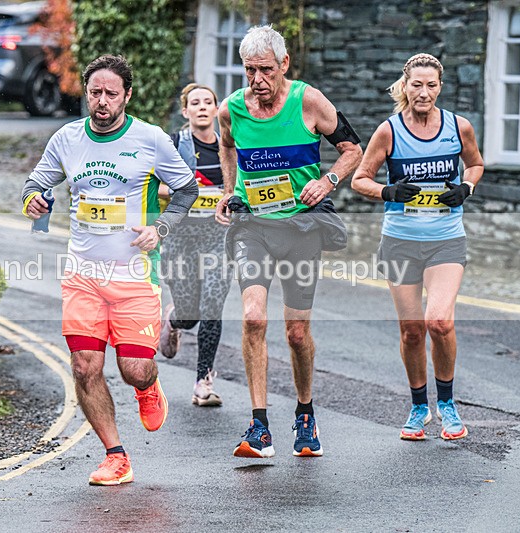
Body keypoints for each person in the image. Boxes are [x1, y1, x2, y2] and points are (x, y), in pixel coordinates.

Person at [21, 55, 199, 485]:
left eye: (110, 94)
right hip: (82, 273)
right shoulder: (66, 139)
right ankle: (115, 455)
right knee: (84, 366)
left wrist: (160, 227)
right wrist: (35, 203)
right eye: (95, 93)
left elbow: (187, 188)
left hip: (135, 275)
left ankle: (147, 387)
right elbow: (33, 187)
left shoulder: (151, 138)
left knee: (133, 368)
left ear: (127, 96)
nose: (101, 102)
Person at [214, 26, 362, 458]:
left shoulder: (308, 101)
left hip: (301, 229)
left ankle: (304, 412)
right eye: (249, 71)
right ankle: (259, 427)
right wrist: (229, 191)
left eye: (265, 70)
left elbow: (352, 149)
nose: (257, 80)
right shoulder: (232, 110)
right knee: (254, 319)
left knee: (297, 333)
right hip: (253, 228)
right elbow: (226, 148)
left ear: (284, 65)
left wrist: (328, 180)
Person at [350, 53, 484, 441]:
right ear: (405, 86)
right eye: (416, 84)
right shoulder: (389, 132)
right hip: (401, 242)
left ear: (440, 87)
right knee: (411, 331)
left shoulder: (459, 127)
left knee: (439, 321)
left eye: (431, 85)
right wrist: (387, 191)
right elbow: (360, 179)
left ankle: (447, 404)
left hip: (446, 240)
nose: (423, 92)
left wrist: (466, 187)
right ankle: (419, 407)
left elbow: (475, 165)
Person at [158, 83, 232, 407]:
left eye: (208, 102)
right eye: (195, 103)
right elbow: (156, 186)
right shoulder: (174, 145)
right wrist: (192, 194)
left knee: (213, 305)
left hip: (218, 237)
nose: (202, 107)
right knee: (191, 314)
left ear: (216, 109)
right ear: (185, 111)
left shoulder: (229, 147)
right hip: (181, 238)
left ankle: (204, 381)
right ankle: (175, 320)